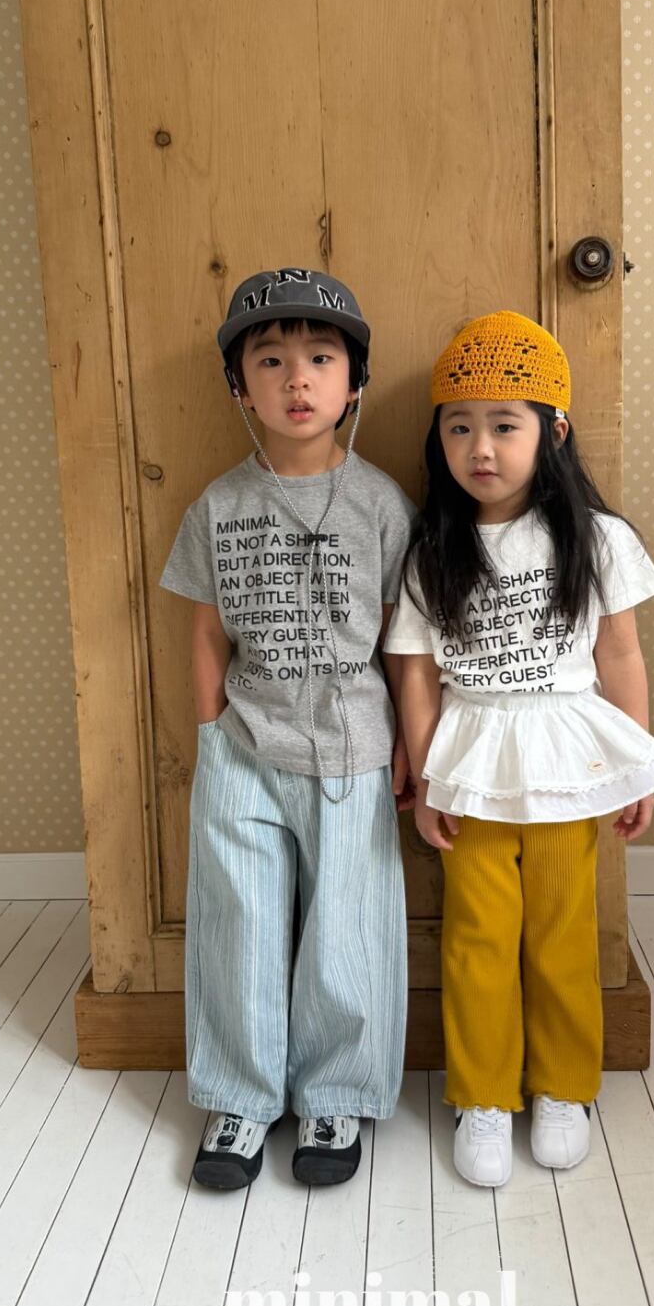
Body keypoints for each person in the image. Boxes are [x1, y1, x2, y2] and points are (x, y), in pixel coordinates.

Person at [385, 310, 654, 1188]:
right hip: (472, 763)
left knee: (561, 932)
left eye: (503, 426)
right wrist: (426, 777)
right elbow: (414, 673)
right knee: (476, 937)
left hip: (566, 762)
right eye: (458, 427)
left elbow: (619, 656)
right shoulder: (432, 548)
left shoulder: (597, 539)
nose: (479, 448)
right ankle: (481, 1093)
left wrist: (637, 765)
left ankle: (561, 1086)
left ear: (553, 432)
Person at [159, 268, 414, 1190]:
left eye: (319, 358)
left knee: (346, 927)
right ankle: (239, 1096)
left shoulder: (381, 504)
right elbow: (204, 632)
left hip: (351, 748)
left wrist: (409, 747)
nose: (296, 379)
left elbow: (402, 639)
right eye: (270, 361)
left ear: (354, 381)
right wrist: (210, 736)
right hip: (242, 748)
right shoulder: (217, 506)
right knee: (239, 924)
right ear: (240, 386)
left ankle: (334, 1095)